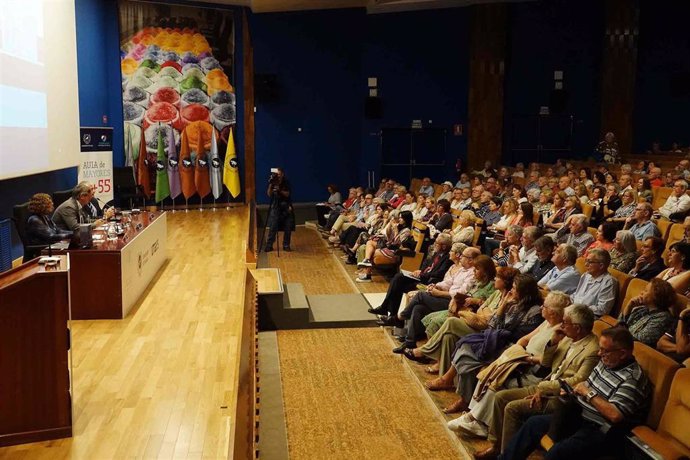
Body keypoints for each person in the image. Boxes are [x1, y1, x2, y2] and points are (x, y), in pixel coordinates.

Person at [501, 327, 649, 460]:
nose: (599, 353)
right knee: (533, 424)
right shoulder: (607, 362)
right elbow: (585, 387)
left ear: (622, 353)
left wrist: (588, 394)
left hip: (599, 430)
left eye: (604, 350)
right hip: (578, 414)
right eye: (600, 349)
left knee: (557, 453)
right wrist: (570, 392)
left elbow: (615, 415)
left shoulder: (633, 378)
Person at [475, 304, 599, 459]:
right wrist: (553, 342)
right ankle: (496, 446)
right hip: (545, 385)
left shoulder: (592, 349)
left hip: (560, 398)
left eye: (565, 322)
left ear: (577, 327)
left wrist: (544, 388)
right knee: (501, 397)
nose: (562, 325)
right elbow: (547, 364)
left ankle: (508, 456)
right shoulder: (567, 338)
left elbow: (577, 380)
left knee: (513, 408)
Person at [448, 291, 570, 440]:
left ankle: (481, 424)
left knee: (498, 381)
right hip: (520, 358)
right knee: (489, 371)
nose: (540, 308)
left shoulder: (561, 332)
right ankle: (472, 416)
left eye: (544, 306)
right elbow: (525, 339)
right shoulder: (546, 322)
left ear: (552, 312)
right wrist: (517, 350)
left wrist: (529, 359)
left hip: (532, 369)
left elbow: (549, 361)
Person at [426, 274, 543, 414]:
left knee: (466, 352)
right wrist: (504, 305)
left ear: (524, 291)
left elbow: (515, 336)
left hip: (511, 348)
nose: (511, 291)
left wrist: (501, 322)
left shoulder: (534, 311)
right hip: (497, 339)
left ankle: (462, 397)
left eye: (514, 288)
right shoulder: (513, 303)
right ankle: (462, 397)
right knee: (462, 346)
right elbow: (493, 326)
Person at [409, 266, 516, 376]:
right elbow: (481, 309)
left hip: (487, 334)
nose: (495, 278)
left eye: (498, 277)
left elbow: (492, 322)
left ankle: (423, 351)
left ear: (505, 281)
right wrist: (486, 312)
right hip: (477, 323)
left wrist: (485, 312)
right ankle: (443, 374)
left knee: (452, 321)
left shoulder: (510, 301)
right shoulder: (497, 294)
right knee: (448, 336)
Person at [393, 246, 480, 352]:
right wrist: (436, 286)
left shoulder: (472, 273)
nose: (460, 257)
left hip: (454, 303)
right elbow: (448, 282)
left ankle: (400, 317)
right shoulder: (462, 269)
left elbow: (460, 293)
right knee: (418, 308)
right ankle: (410, 342)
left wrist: (439, 293)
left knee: (420, 296)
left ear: (471, 260)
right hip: (446, 297)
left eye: (463, 256)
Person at [368, 232, 452, 320]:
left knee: (398, 282)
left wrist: (423, 274)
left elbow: (439, 273)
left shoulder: (448, 258)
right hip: (422, 276)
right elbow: (426, 263)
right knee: (398, 278)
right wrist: (420, 270)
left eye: (437, 243)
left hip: (429, 281)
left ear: (444, 246)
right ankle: (390, 313)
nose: (434, 244)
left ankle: (388, 311)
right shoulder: (436, 253)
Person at [618, 278, 676, 346]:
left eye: (645, 291)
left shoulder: (663, 317)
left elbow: (638, 340)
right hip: (619, 342)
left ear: (656, 296)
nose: (641, 292)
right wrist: (628, 307)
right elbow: (618, 326)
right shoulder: (641, 309)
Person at [571, 248, 617, 317]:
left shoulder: (609, 282)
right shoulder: (586, 275)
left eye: (589, 262)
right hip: (574, 309)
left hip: (586, 316)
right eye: (586, 261)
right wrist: (568, 299)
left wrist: (580, 307)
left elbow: (603, 309)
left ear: (601, 265)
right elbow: (577, 294)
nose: (586, 264)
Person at [264, 168, 294, 252]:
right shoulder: (273, 181)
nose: (278, 176)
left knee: (288, 227)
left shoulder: (286, 182)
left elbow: (287, 194)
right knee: (273, 226)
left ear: (282, 174)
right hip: (275, 206)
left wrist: (279, 190)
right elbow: (269, 194)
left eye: (279, 174)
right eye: (277, 174)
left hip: (286, 206)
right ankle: (269, 245)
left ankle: (286, 245)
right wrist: (270, 184)